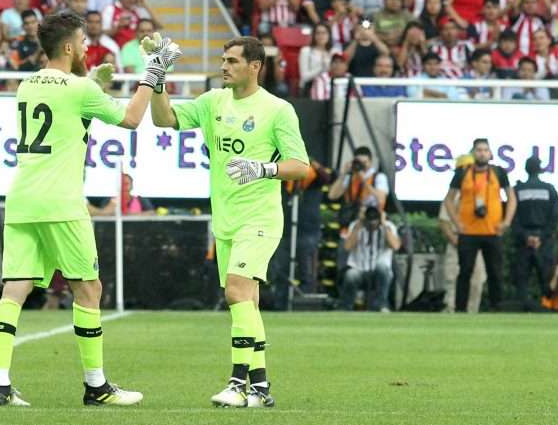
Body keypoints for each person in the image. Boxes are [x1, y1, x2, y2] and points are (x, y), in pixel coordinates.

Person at [0, 10, 181, 407]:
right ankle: (96, 386)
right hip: (61, 200)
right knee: (88, 289)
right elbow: (130, 117)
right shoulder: (78, 90)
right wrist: (154, 69)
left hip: (23, 198)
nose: (90, 45)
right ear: (70, 46)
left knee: (15, 289)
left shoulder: (27, 84)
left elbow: (60, 111)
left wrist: (91, 82)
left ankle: (1, 386)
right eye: (85, 41)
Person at [150, 36, 310, 408]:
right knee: (246, 302)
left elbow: (301, 167)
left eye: (233, 61)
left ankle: (237, 383)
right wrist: (157, 78)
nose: (224, 66)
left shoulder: (277, 109)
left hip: (260, 217)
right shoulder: (211, 102)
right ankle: (261, 388)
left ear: (255, 66)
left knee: (236, 291)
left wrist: (263, 168)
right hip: (226, 218)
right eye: (223, 60)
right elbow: (164, 119)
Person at [443, 138, 516, 312]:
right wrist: (457, 222)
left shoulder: (499, 173)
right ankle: (460, 309)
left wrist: (506, 222)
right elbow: (448, 200)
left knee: (495, 272)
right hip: (468, 231)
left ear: (490, 154)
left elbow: (511, 198)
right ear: (473, 153)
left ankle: (496, 308)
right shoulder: (462, 174)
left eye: (485, 150)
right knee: (465, 272)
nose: (482, 153)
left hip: (492, 231)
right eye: (478, 150)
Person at [271, 159, 331, 309]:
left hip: (308, 230)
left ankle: (303, 305)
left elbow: (326, 178)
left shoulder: (314, 180)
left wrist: (315, 164)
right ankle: (280, 305)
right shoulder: (285, 181)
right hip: (285, 230)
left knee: (306, 272)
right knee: (281, 270)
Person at [439, 154, 487, 313]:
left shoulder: (480, 193)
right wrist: (456, 241)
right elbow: (444, 222)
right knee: (453, 279)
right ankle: (452, 311)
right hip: (457, 243)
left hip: (477, 243)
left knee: (477, 281)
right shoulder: (452, 195)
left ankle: (473, 312)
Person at [512, 156, 558, 311]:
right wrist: (541, 237)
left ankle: (521, 311)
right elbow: (555, 217)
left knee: (521, 279)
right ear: (540, 169)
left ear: (526, 169)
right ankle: (550, 309)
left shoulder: (518, 190)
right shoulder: (550, 189)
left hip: (523, 242)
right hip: (544, 241)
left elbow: (513, 218)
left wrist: (526, 237)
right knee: (547, 279)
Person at [341, 206, 401, 313]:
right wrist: (359, 224)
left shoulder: (388, 227)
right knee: (350, 275)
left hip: (380, 271)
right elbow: (347, 247)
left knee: (382, 268)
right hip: (360, 270)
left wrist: (383, 223)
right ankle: (346, 307)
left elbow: (395, 246)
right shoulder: (355, 226)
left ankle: (382, 305)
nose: (372, 220)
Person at [328, 146, 389, 219]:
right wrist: (343, 174)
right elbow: (332, 196)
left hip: (372, 217)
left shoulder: (379, 177)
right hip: (352, 216)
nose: (362, 165)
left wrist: (364, 180)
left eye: (364, 162)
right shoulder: (350, 177)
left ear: (370, 162)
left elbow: (381, 198)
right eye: (359, 162)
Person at [299, 22, 335, 91]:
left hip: (329, 88)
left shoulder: (333, 52)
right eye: (318, 33)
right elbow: (304, 77)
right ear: (313, 36)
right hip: (309, 88)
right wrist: (322, 67)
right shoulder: (306, 51)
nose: (321, 36)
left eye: (324, 33)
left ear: (329, 35)